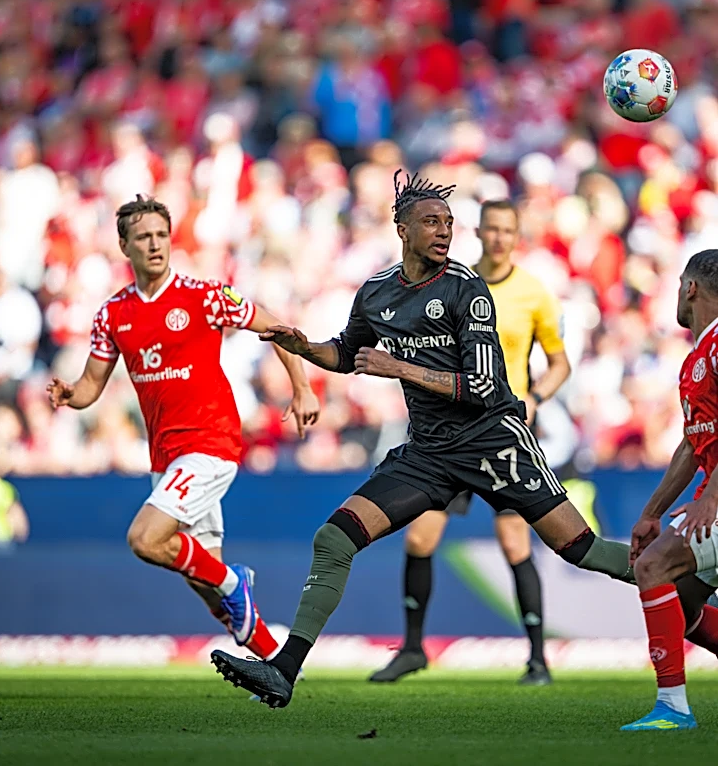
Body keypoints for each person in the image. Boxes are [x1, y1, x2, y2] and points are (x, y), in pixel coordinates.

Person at [209, 171, 636, 708]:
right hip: (430, 454)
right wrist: (303, 346)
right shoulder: (376, 293)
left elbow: (482, 387)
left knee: (584, 551)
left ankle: (685, 586)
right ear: (401, 228)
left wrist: (400, 368)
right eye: (432, 222)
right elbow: (347, 353)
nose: (444, 231)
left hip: (493, 443)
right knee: (334, 539)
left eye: (449, 223)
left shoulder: (466, 289)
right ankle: (284, 672)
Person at [47, 194, 320, 656]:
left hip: (211, 444)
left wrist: (303, 388)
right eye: (143, 237)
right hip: (166, 455)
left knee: (145, 539)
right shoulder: (112, 315)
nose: (155, 245)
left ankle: (237, 582)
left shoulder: (203, 296)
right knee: (203, 581)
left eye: (160, 235)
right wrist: (71, 395)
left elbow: (278, 328)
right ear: (123, 246)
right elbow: (92, 385)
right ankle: (277, 660)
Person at [370, 199, 570, 686]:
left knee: (513, 539)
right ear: (478, 232)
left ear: (518, 235)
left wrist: (538, 397)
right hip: (446, 435)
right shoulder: (451, 282)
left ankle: (539, 659)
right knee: (420, 535)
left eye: (509, 230)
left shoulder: (533, 293)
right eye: (493, 229)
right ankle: (413, 648)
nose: (500, 237)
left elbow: (559, 361)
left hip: (501, 432)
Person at [621, 250, 718, 731]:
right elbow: (692, 443)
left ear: (691, 288)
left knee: (655, 566)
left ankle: (673, 708)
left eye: (679, 285)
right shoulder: (696, 357)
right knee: (679, 595)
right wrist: (651, 511)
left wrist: (710, 499)